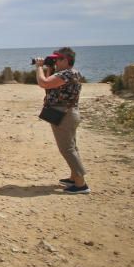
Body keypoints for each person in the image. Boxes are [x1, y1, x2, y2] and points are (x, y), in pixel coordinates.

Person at [35, 47, 89, 194]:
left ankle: (80, 184)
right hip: (67, 113)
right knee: (72, 147)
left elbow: (44, 83)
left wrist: (39, 67)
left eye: (58, 59)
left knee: (67, 149)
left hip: (64, 115)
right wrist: (49, 68)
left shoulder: (66, 74)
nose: (55, 61)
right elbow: (50, 88)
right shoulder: (71, 73)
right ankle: (74, 177)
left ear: (66, 60)